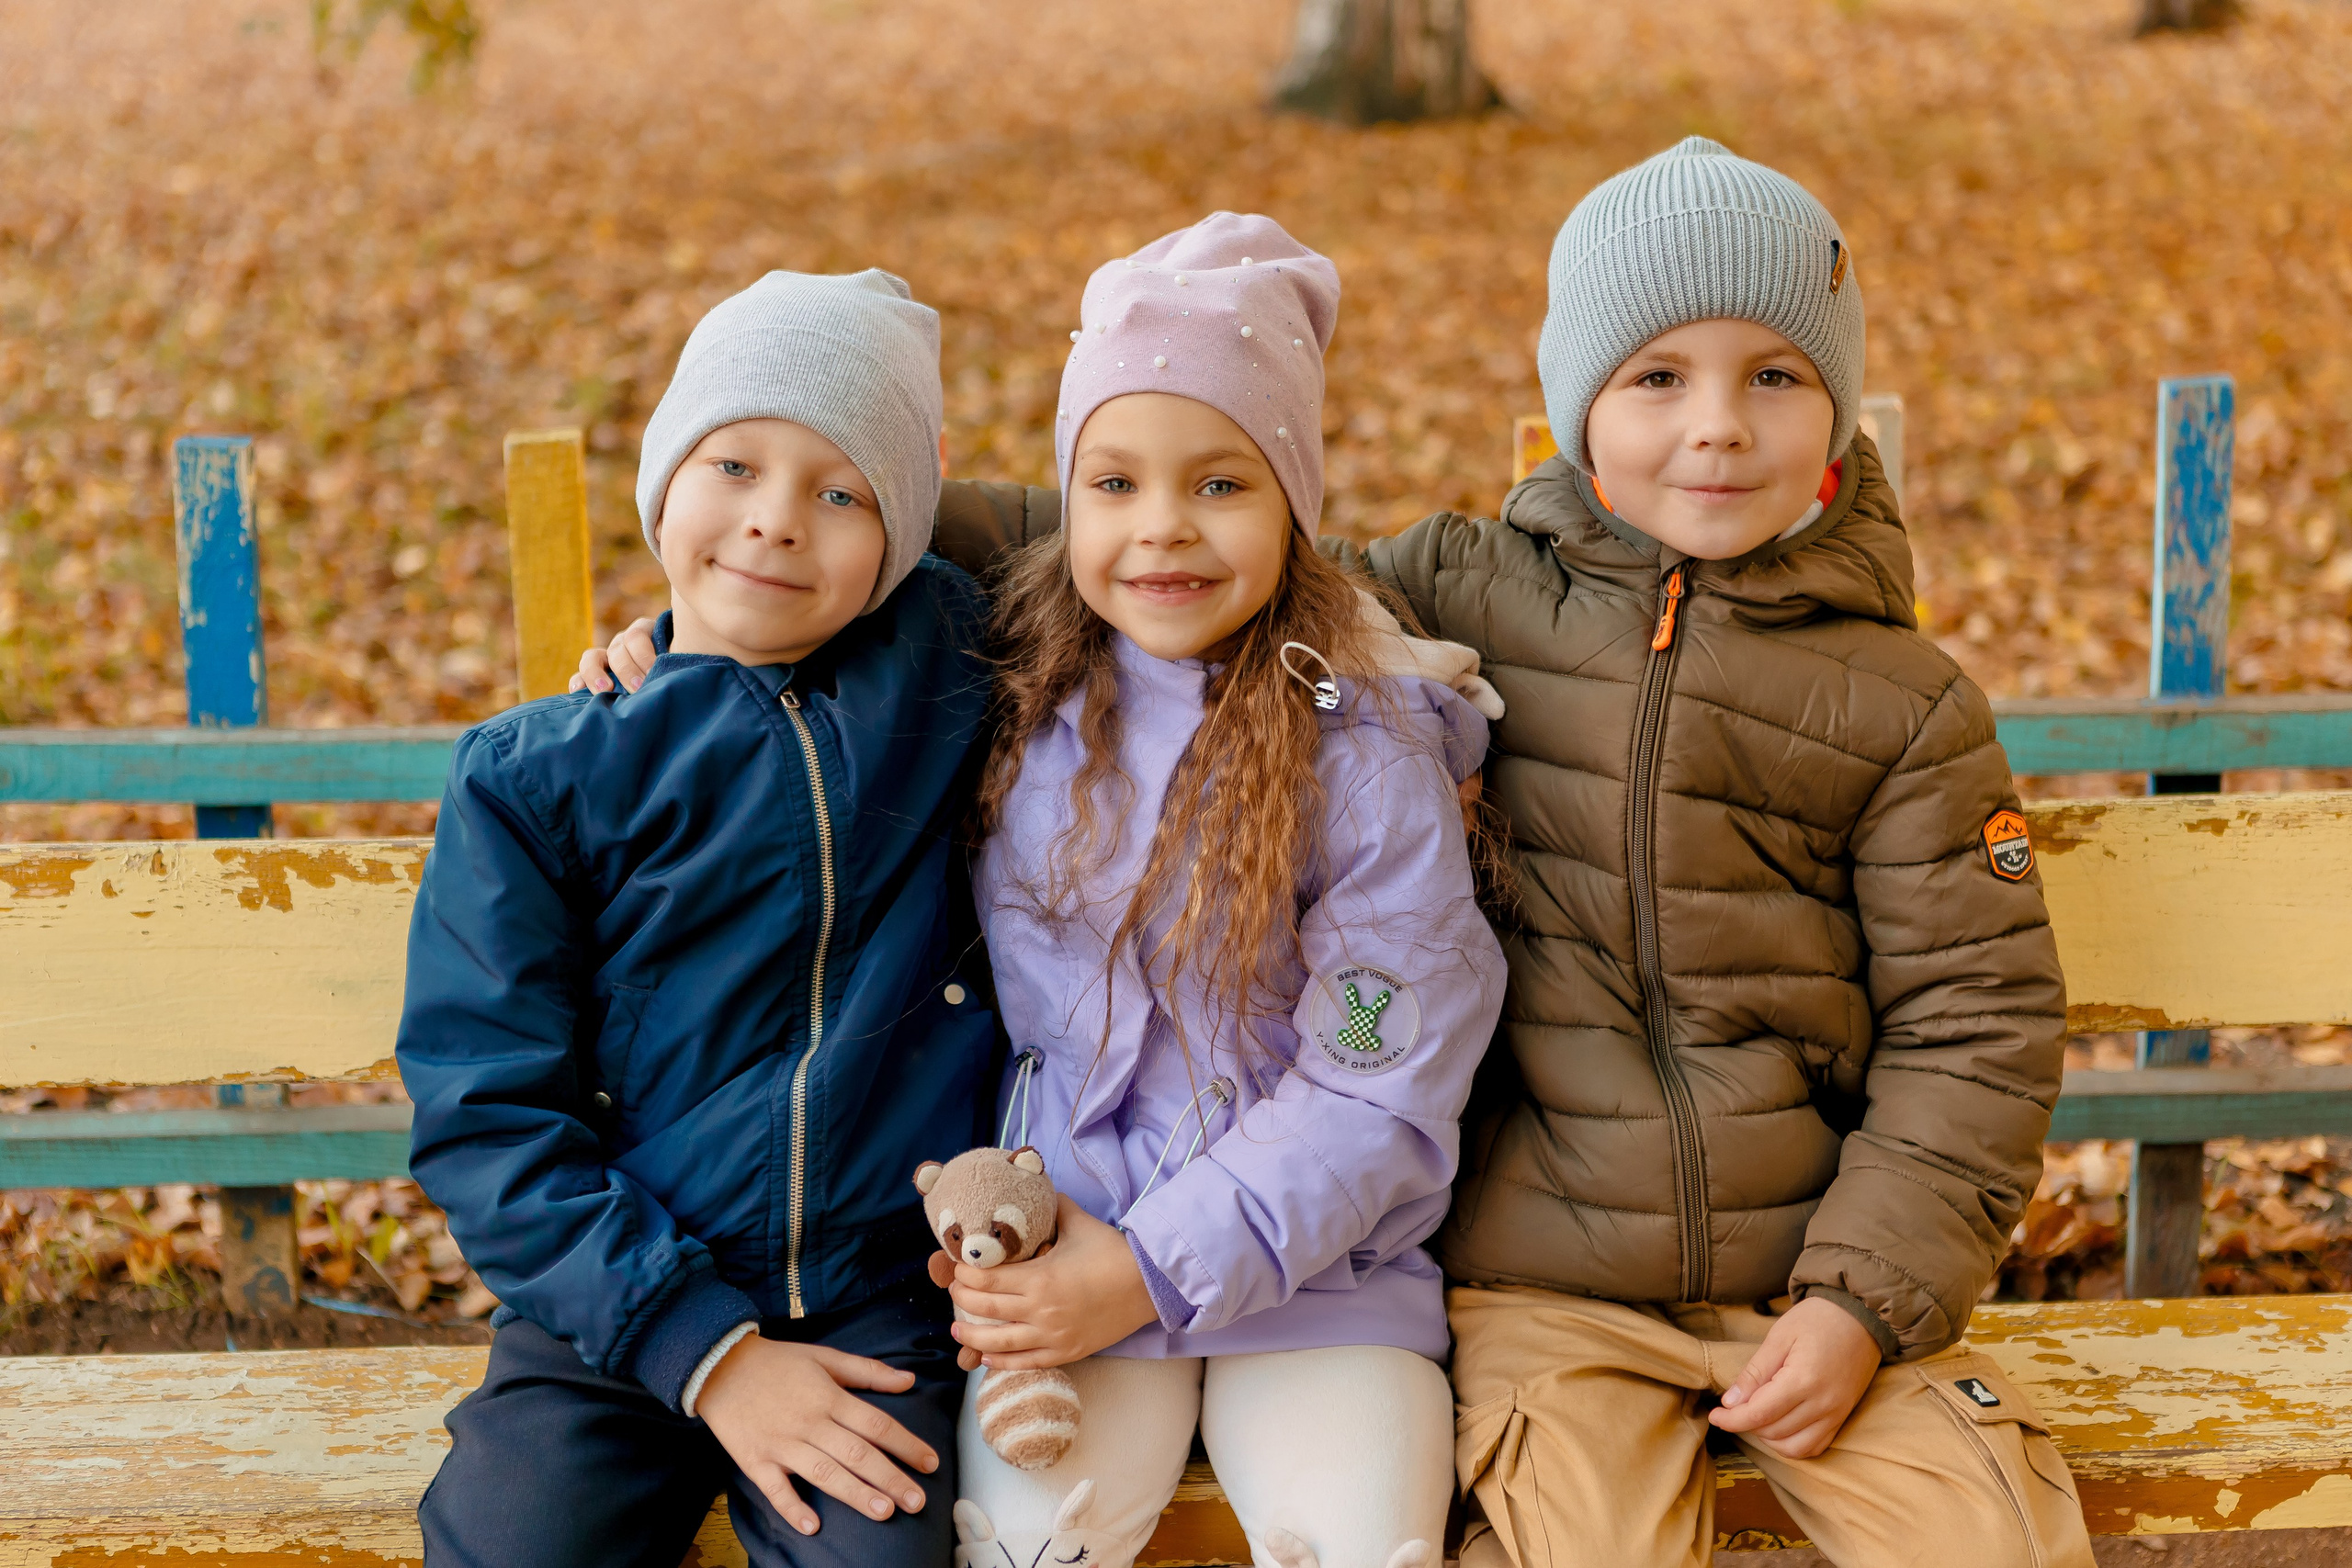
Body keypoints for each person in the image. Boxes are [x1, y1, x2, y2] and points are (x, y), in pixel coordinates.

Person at [582, 144, 2089, 1568]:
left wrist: (1860, 1298)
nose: (1715, 424)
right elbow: (1119, 510)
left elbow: (1978, 1018)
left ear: (1841, 404)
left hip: (1735, 1274)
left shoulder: (1888, 706)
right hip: (1492, 1281)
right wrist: (726, 606)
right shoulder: (1446, 590)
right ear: (1580, 401)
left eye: (1775, 376)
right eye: (1658, 376)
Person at [399, 268, 997, 1568]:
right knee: (511, 1551)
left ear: (907, 530)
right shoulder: (541, 775)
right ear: (665, 475)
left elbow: (1154, 505)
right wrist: (706, 1353)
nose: (776, 523)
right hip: (615, 1314)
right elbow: (487, 1114)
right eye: (731, 465)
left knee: (880, 1548)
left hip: (880, 1303)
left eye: (841, 493)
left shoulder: (957, 669)